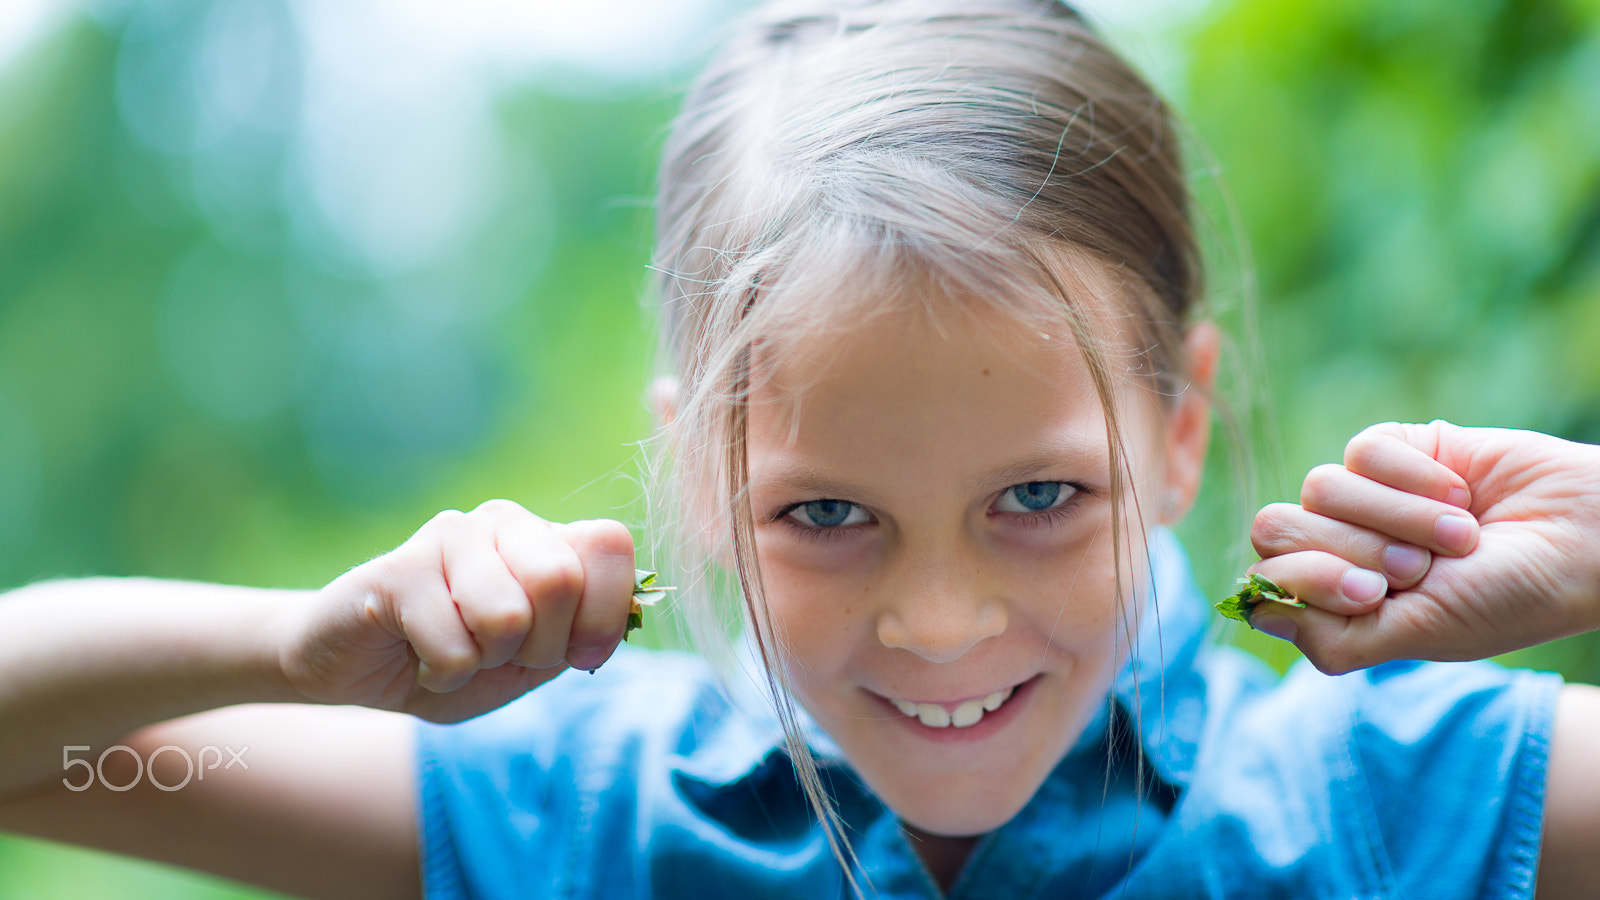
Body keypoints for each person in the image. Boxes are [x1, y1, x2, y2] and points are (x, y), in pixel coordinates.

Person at [2, 1, 1600, 897]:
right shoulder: (594, 817)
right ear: (698, 474)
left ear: (1179, 432)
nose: (941, 621)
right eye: (828, 512)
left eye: (1038, 497)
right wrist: (294, 652)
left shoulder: (1404, 807)